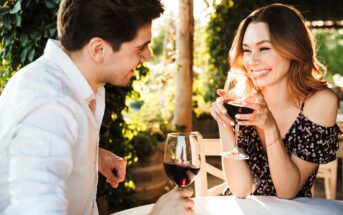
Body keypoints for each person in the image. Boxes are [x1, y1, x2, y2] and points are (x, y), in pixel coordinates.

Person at [0, 0, 193, 214]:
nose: (147, 57)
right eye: (140, 47)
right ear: (98, 49)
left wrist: (89, 155)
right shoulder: (50, 106)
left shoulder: (74, 88)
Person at [210, 3, 341, 199]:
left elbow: (287, 191)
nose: (252, 61)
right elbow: (240, 189)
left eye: (264, 48)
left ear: (292, 48)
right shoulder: (243, 97)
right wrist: (224, 124)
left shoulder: (321, 102)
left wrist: (270, 127)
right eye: (246, 50)